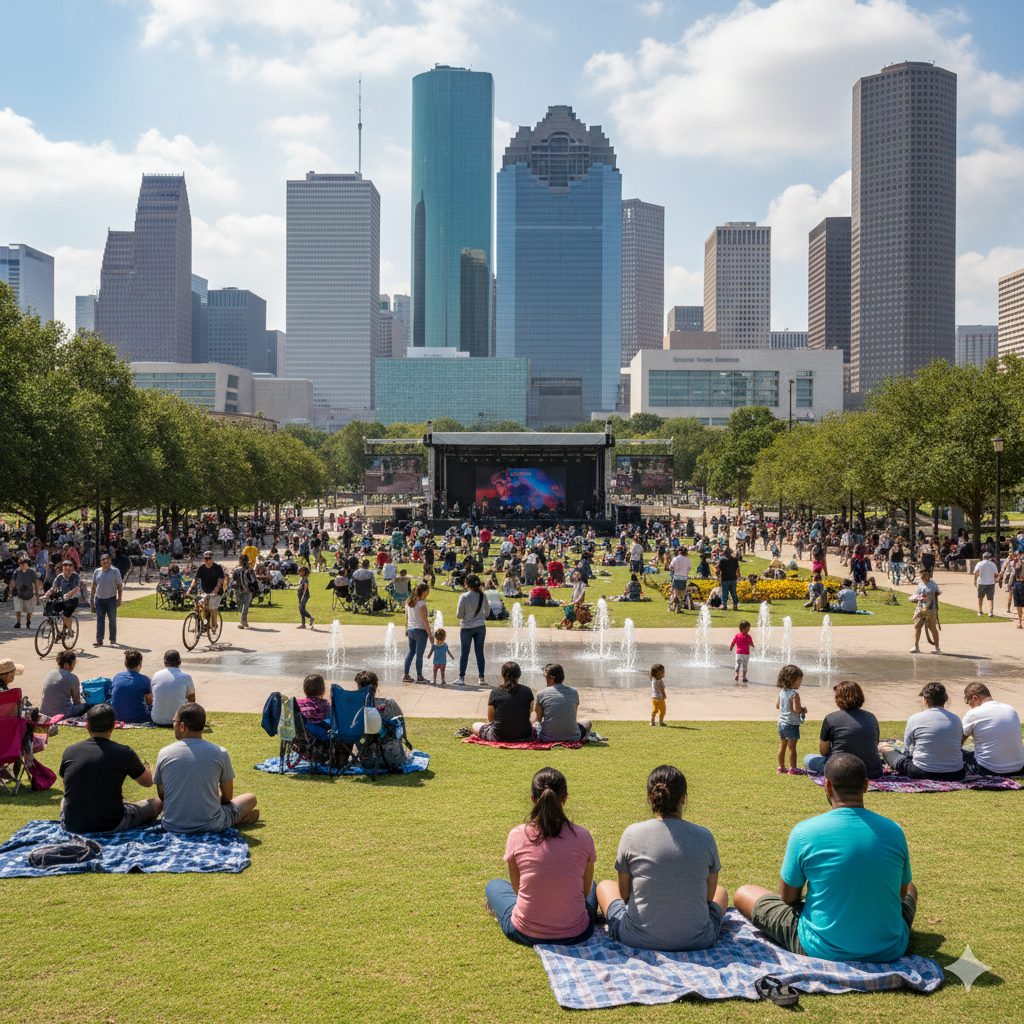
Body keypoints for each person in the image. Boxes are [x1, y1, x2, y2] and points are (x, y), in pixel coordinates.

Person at [734, 753, 917, 962]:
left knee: (743, 893)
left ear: (827, 786)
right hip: (889, 947)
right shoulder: (894, 830)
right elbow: (902, 893)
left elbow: (788, 897)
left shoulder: (804, 832)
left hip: (821, 947)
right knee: (911, 886)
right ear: (866, 786)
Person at [595, 766, 727, 952]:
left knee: (604, 886)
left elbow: (624, 895)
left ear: (650, 798)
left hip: (636, 937)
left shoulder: (632, 834)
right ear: (683, 798)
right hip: (698, 940)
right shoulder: (705, 837)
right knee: (721, 892)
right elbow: (708, 897)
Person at [484, 767, 598, 947]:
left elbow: (517, 889)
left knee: (494, 886)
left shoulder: (517, 834)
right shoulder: (583, 836)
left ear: (532, 798)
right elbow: (584, 892)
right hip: (577, 933)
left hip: (526, 932)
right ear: (565, 798)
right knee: (595, 887)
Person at [154, 702, 259, 833]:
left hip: (172, 825)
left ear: (182, 726)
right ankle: (239, 819)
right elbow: (227, 797)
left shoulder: (164, 753)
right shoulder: (220, 752)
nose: (173, 724)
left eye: (174, 721)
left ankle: (237, 819)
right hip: (211, 825)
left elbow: (163, 795)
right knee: (250, 798)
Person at [59, 704, 162, 833]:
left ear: (87, 726)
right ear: (113, 727)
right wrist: (148, 770)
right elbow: (147, 782)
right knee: (157, 803)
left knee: (65, 798)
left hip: (71, 824)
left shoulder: (70, 751)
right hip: (112, 823)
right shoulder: (124, 752)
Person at [877, 682, 965, 781]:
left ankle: (885, 749)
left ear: (925, 700)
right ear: (946, 699)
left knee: (887, 750)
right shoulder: (956, 719)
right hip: (956, 773)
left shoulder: (915, 719)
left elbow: (908, 752)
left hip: (923, 772)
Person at [803, 681, 883, 778]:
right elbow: (874, 743)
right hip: (873, 771)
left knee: (808, 758)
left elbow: (823, 752)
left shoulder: (831, 718)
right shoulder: (871, 717)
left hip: (840, 771)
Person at [961, 682, 1024, 776]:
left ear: (975, 698)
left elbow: (957, 743)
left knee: (957, 752)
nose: (969, 705)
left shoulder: (974, 713)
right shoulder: (1010, 709)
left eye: (968, 702)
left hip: (989, 769)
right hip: (1019, 768)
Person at [353, 670, 411, 768]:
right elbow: (401, 730)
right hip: (393, 759)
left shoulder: (355, 708)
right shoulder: (391, 704)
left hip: (368, 760)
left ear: (359, 688)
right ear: (376, 687)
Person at [472, 661, 535, 741]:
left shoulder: (496, 692)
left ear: (502, 675)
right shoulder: (527, 691)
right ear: (519, 676)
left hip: (499, 735)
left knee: (475, 725)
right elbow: (529, 714)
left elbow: (491, 718)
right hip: (524, 735)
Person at [533, 663, 591, 742]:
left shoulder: (541, 694)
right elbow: (573, 716)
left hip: (547, 738)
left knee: (536, 725)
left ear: (552, 678)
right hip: (573, 737)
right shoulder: (574, 692)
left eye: (545, 675)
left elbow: (538, 719)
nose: (544, 677)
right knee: (587, 722)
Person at [149, 649, 196, 728]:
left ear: (164, 662)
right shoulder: (186, 677)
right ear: (180, 661)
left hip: (157, 719)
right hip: (180, 720)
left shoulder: (156, 675)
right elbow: (192, 700)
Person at [456, 574, 488, 686]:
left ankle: (461, 678)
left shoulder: (464, 597)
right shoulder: (482, 595)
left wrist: (467, 615)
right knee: (480, 653)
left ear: (467, 584)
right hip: (480, 627)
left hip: (466, 627)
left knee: (464, 653)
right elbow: (487, 613)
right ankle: (481, 678)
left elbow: (459, 615)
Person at [87, 551, 124, 649]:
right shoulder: (97, 571)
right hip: (99, 599)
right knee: (100, 619)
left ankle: (112, 638)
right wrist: (91, 599)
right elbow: (94, 586)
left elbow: (119, 585)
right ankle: (99, 640)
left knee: (112, 619)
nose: (105, 562)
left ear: (110, 561)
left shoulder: (115, 571)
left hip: (111, 599)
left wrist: (119, 598)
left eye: (107, 560)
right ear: (101, 562)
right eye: (103, 560)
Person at [776, 664, 808, 774]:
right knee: (792, 748)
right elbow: (796, 709)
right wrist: (803, 710)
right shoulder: (794, 694)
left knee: (783, 745)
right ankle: (793, 768)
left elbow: (777, 706)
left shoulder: (782, 692)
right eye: (799, 681)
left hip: (781, 723)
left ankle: (781, 767)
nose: (800, 683)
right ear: (791, 680)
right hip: (791, 724)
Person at [40, 650, 90, 719]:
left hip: (44, 713)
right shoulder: (73, 678)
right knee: (87, 706)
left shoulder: (50, 673)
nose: (74, 666)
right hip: (62, 715)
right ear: (66, 665)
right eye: (73, 663)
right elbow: (77, 702)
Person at [185, 551, 226, 633]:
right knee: (198, 605)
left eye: (209, 558)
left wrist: (215, 591)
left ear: (212, 558)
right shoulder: (202, 568)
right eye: (206, 558)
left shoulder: (217, 568)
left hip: (217, 592)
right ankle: (201, 624)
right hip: (205, 591)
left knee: (212, 607)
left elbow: (220, 581)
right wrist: (189, 590)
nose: (208, 560)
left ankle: (214, 626)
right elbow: (195, 579)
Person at [110, 649, 153, 724]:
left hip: (117, 717)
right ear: (140, 664)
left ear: (125, 663)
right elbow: (149, 702)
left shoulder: (117, 677)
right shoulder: (144, 679)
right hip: (139, 717)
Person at [403, 582, 433, 684]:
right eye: (427, 591)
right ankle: (419, 676)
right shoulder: (421, 604)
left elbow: (407, 619)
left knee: (411, 652)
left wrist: (406, 630)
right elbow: (425, 622)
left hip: (411, 630)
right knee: (419, 655)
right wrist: (431, 636)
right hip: (420, 631)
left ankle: (406, 675)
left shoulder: (408, 603)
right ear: (423, 592)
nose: (428, 593)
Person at [44, 559, 81, 636]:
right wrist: (46, 595)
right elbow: (53, 588)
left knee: (66, 615)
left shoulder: (75, 576)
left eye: (69, 568)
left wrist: (69, 594)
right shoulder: (60, 577)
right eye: (65, 568)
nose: (67, 570)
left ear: (72, 569)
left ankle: (70, 631)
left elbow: (77, 588)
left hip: (73, 599)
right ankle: (58, 630)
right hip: (64, 598)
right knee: (53, 608)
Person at [909, 569, 941, 654]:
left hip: (931, 609)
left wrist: (933, 604)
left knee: (932, 627)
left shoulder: (933, 584)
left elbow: (937, 593)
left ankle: (937, 647)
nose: (922, 578)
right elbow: (918, 594)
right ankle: (916, 646)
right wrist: (917, 597)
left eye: (924, 576)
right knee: (917, 626)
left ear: (929, 575)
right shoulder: (920, 584)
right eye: (921, 576)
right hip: (920, 609)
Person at [11, 554, 41, 630]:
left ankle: (28, 620)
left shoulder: (32, 572)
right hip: (18, 592)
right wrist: (12, 590)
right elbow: (13, 581)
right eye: (21, 563)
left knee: (29, 610)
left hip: (29, 593)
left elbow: (35, 583)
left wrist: (37, 595)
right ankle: (18, 622)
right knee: (18, 608)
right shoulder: (16, 571)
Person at [231, 553, 256, 630]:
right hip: (246, 590)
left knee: (242, 606)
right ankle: (244, 621)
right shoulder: (250, 570)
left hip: (239, 590)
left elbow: (233, 579)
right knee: (244, 607)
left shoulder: (236, 570)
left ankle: (241, 622)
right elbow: (253, 580)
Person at [973, 552, 999, 617]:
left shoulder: (979, 564)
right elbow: (996, 574)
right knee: (990, 598)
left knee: (980, 597)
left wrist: (976, 579)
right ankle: (990, 612)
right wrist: (994, 578)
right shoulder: (993, 564)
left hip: (981, 582)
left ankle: (980, 610)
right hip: (990, 583)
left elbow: (975, 572)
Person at [295, 565, 315, 630]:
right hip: (301, 595)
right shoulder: (303, 578)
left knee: (302, 609)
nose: (299, 573)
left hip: (304, 595)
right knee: (301, 609)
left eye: (300, 572)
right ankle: (303, 624)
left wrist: (303, 596)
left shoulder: (305, 579)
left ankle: (310, 618)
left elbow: (305, 587)